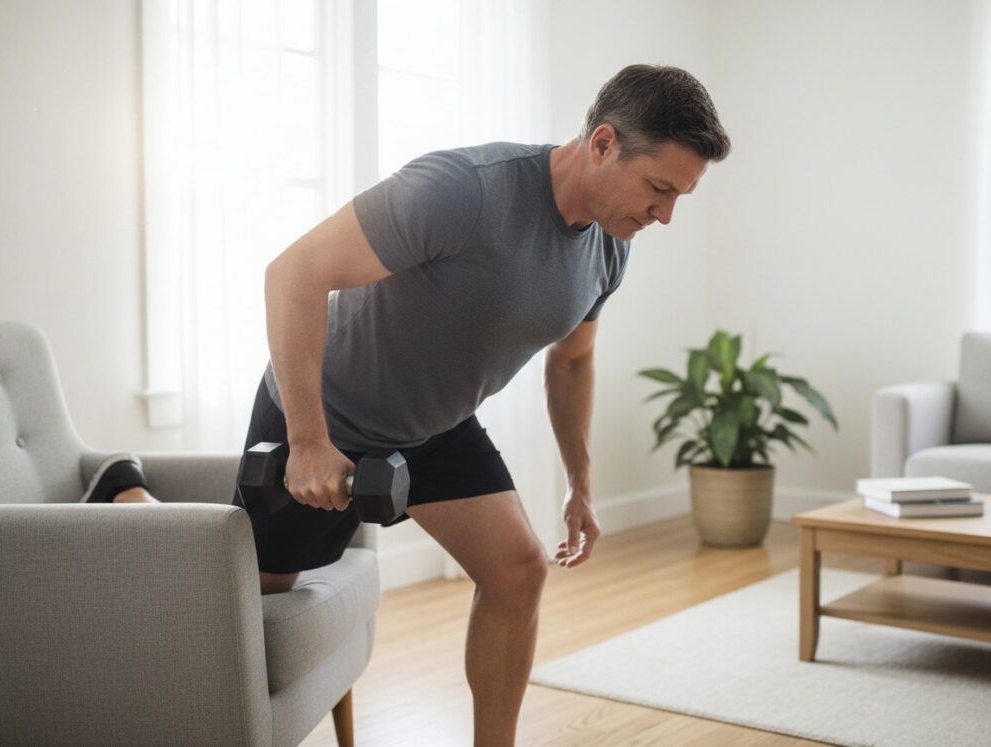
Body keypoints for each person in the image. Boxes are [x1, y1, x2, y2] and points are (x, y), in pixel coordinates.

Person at [85, 63, 731, 747]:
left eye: (678, 197)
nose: (664, 214)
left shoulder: (610, 243)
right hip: (334, 411)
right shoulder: (465, 190)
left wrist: (581, 482)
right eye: (659, 188)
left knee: (517, 570)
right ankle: (126, 494)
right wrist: (308, 440)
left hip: (436, 428)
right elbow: (293, 273)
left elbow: (571, 360)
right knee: (246, 593)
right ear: (603, 143)